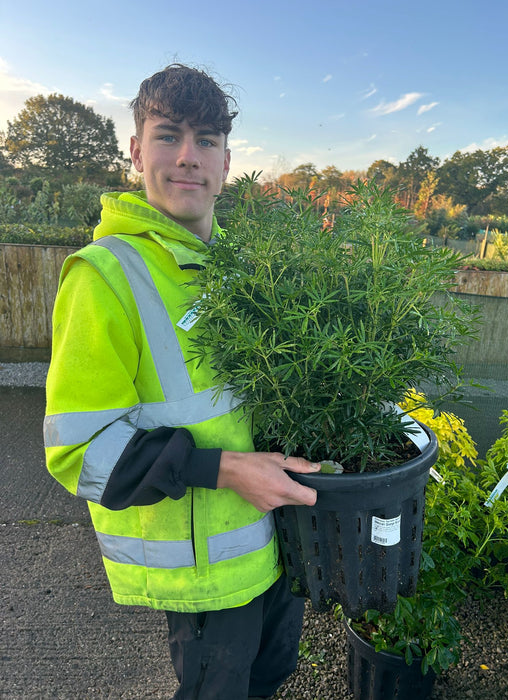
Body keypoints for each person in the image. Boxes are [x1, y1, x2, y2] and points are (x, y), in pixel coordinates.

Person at [44, 63, 321, 700]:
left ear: (227, 163)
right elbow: (80, 452)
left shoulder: (244, 269)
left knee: (270, 677)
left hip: (274, 543)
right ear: (136, 151)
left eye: (207, 141)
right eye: (169, 136)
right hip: (205, 573)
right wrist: (227, 470)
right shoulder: (104, 276)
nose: (188, 157)